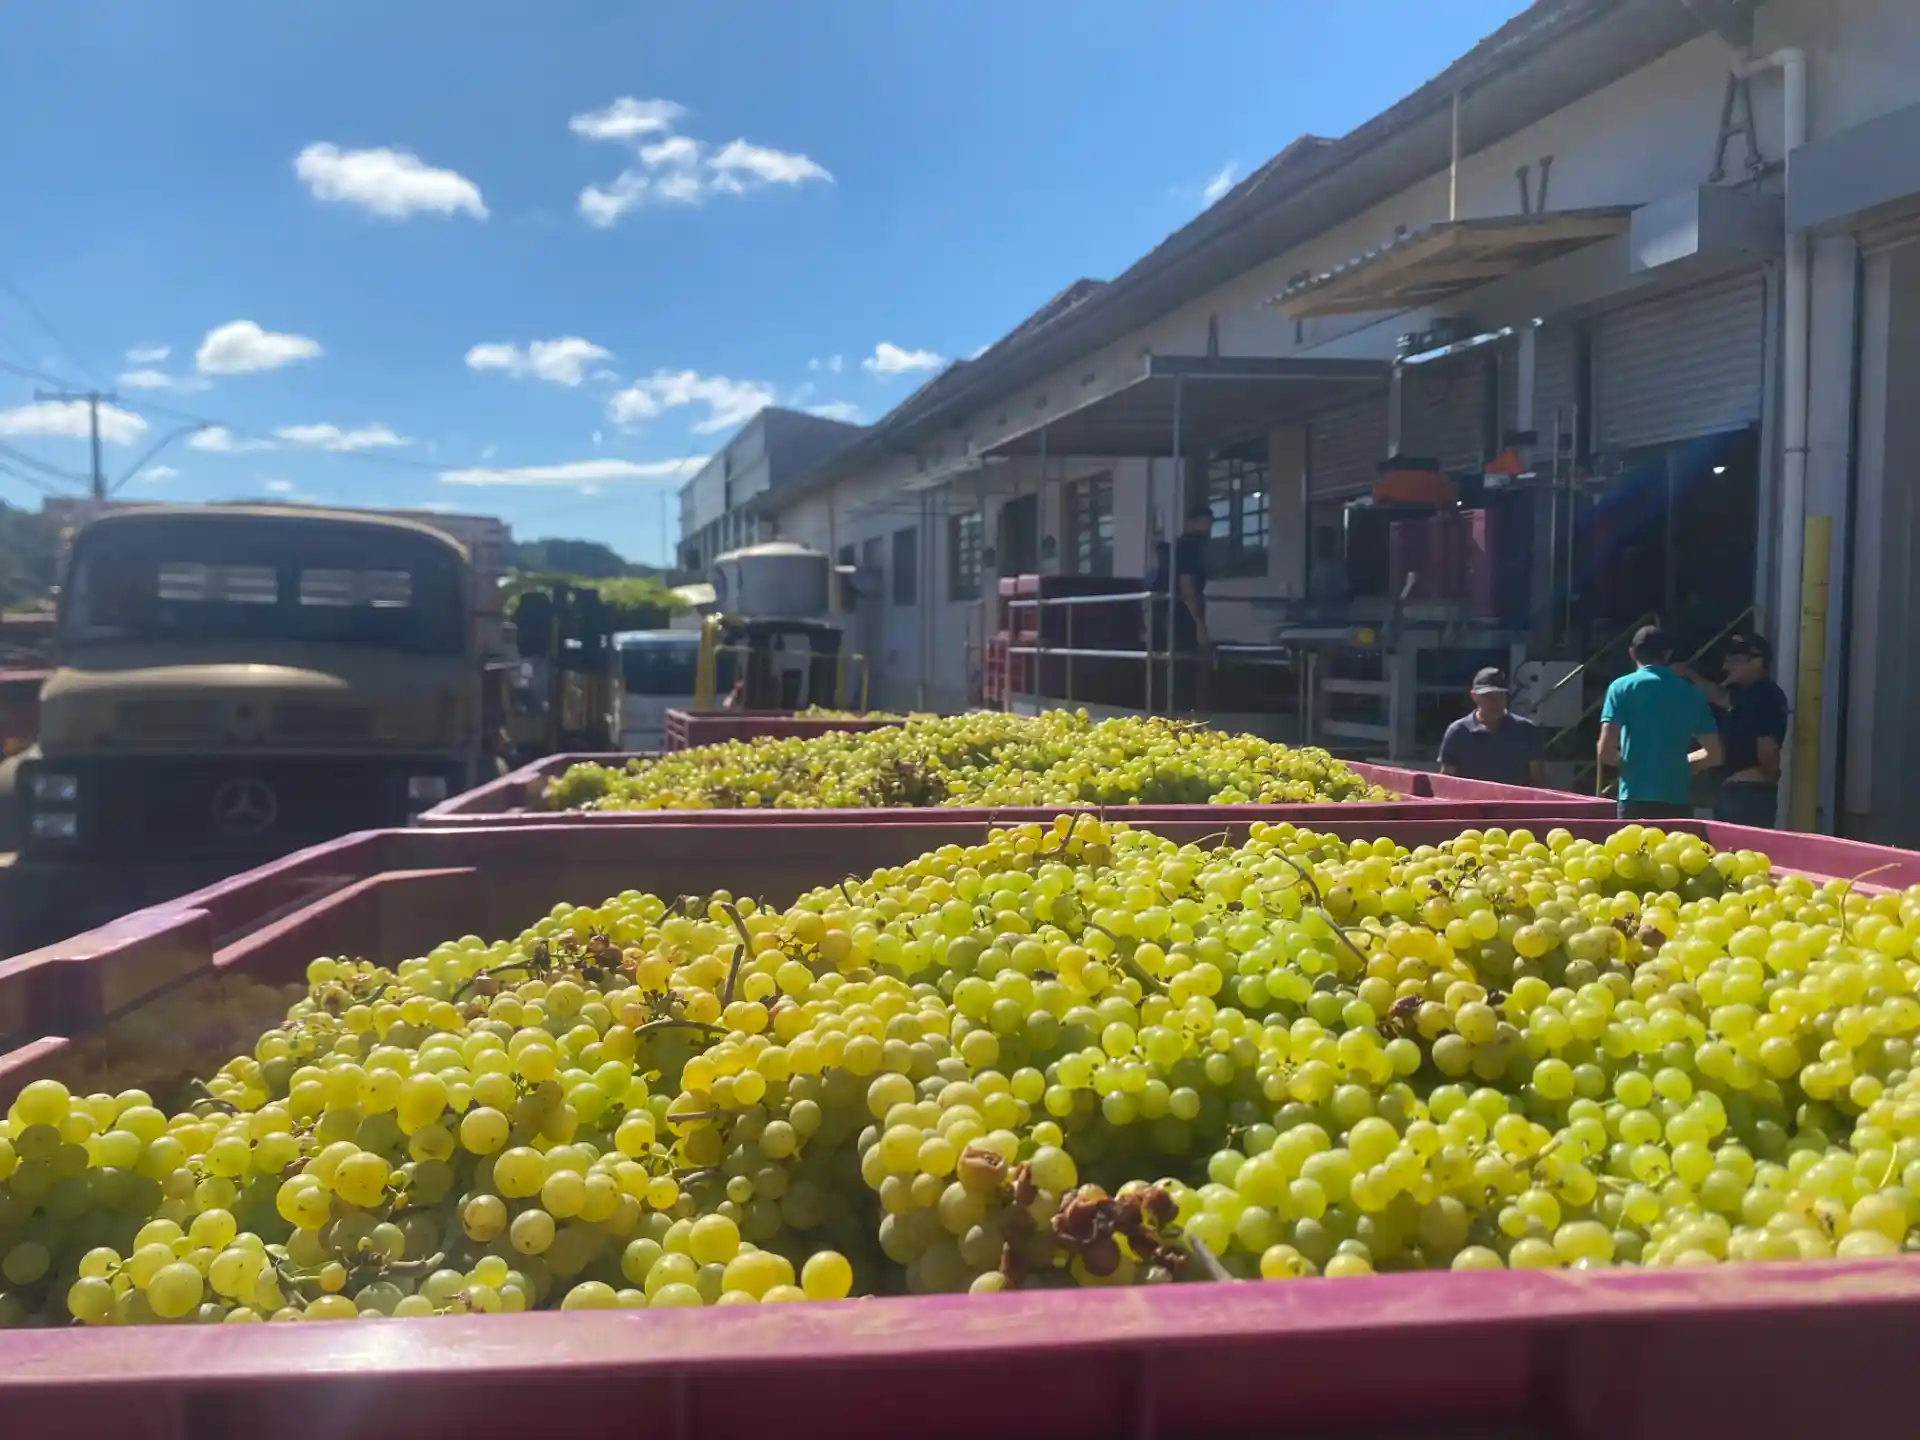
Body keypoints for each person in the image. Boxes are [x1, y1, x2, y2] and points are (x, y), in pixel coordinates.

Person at [1598, 625, 1723, 821]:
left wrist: (1632, 767)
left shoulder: (1620, 688)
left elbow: (1605, 750)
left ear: (1632, 653)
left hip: (1634, 798)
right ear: (1668, 654)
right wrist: (1680, 766)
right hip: (1677, 801)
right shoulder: (1692, 693)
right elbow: (1714, 754)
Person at [1674, 632, 1789, 827]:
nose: (1725, 667)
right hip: (1735, 793)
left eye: (1734, 661)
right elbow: (1717, 695)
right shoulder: (1744, 694)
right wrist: (1688, 674)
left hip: (1749, 794)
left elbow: (1767, 746)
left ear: (1757, 661)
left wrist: (1768, 777)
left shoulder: (1766, 695)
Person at [1438, 668, 1546, 787]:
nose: (1495, 701)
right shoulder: (1458, 732)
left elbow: (1537, 783)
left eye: (1500, 695)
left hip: (1513, 803)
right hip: (1471, 803)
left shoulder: (1527, 731)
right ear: (1474, 696)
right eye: (1488, 696)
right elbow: (1447, 783)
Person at [1148, 503, 1212, 653]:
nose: (1206, 529)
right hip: (1181, 614)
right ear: (1191, 523)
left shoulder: (1178, 546)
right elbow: (1186, 584)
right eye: (1202, 523)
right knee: (1185, 660)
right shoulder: (1191, 546)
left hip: (1165, 614)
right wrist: (1198, 622)